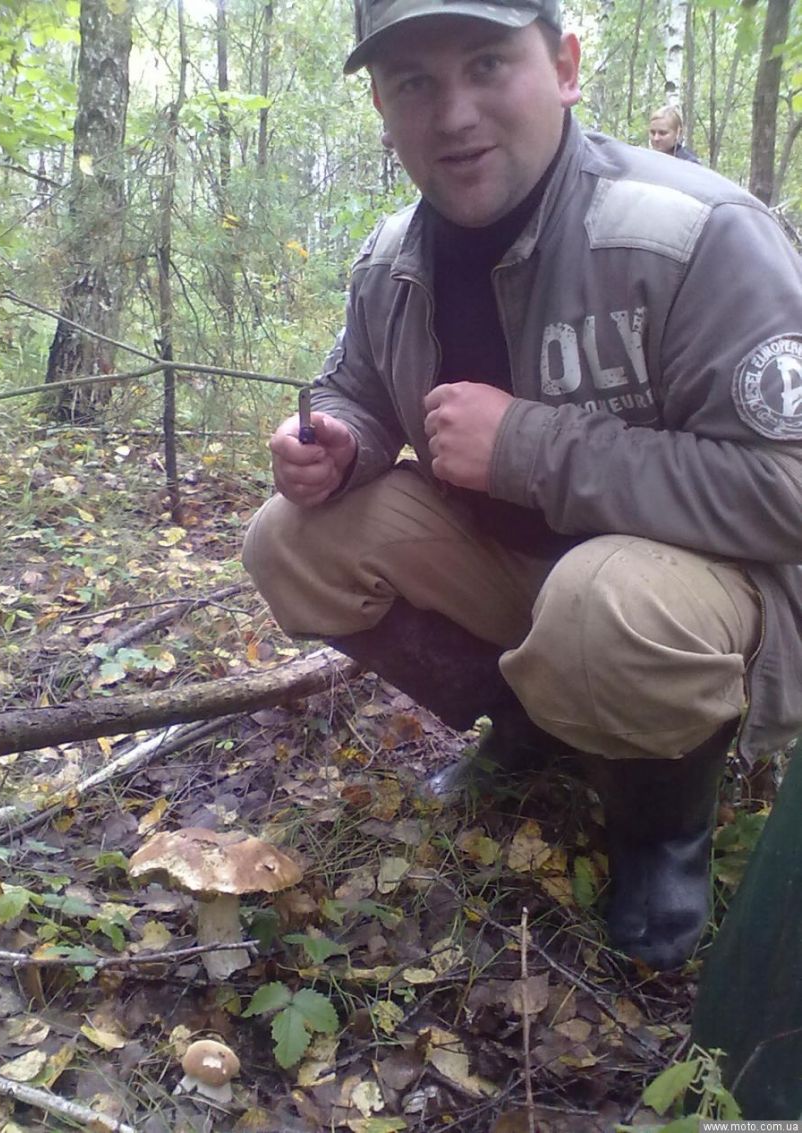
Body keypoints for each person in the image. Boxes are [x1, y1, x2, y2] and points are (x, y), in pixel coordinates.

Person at [243, 0, 802, 971]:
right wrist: (338, 440)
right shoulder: (392, 257)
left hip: (704, 597)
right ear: (382, 109)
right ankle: (532, 729)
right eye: (415, 82)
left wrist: (528, 447)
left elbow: (787, 488)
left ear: (567, 67)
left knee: (600, 608)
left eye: (488, 65)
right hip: (520, 573)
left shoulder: (698, 235)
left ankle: (662, 825)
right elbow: (354, 388)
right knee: (288, 539)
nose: (454, 112)